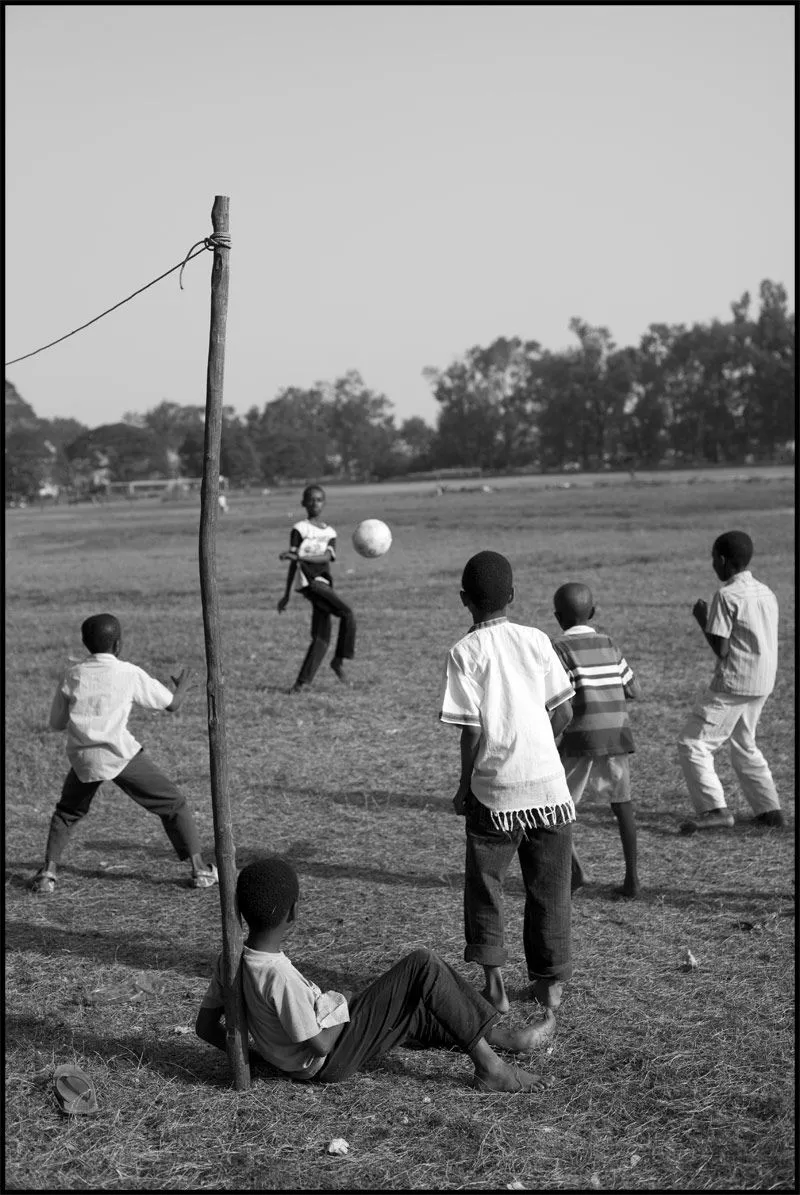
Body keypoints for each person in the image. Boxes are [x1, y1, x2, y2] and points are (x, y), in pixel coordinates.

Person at [196, 856, 556, 1092]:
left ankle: (502, 1038)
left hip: (318, 1052)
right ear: (291, 914)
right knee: (422, 965)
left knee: (415, 1007)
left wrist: (260, 1055)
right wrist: (341, 1006)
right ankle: (491, 1066)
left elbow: (205, 1026)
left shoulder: (232, 961)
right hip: (328, 1059)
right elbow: (319, 1042)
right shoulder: (277, 976)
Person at [439, 551, 575, 1016]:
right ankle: (549, 985)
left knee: (485, 886)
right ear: (513, 596)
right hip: (550, 792)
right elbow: (565, 711)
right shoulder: (537, 640)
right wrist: (543, 750)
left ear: (464, 600)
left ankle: (494, 986)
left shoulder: (464, 652)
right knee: (550, 889)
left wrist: (462, 784)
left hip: (494, 793)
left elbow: (473, 731)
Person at [29, 613, 218, 894]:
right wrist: (181, 689)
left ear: (84, 643)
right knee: (174, 804)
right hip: (119, 755)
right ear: (118, 645)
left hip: (84, 759)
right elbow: (171, 705)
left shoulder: (73, 674)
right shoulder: (128, 672)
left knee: (67, 813)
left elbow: (56, 724)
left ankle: (48, 874)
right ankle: (200, 870)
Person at [677, 530, 784, 832]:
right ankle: (769, 810)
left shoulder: (726, 595)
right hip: (762, 681)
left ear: (723, 561)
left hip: (735, 683)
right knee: (744, 743)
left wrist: (703, 619)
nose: (713, 565)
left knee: (693, 743)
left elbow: (722, 649)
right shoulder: (766, 591)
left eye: (714, 559)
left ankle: (714, 809)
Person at [551, 583, 642, 899]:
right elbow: (633, 689)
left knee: (558, 805)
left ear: (558, 617)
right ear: (593, 612)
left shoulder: (558, 648)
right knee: (622, 805)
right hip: (617, 735)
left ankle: (574, 873)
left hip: (580, 736)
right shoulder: (608, 643)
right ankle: (632, 879)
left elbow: (556, 699)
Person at [277, 484, 356, 693]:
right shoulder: (299, 529)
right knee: (347, 612)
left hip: (323, 582)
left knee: (321, 638)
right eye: (311, 499)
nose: (315, 503)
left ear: (324, 503)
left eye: (319, 499)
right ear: (303, 503)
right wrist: (286, 595)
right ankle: (338, 661)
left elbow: (327, 557)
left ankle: (300, 684)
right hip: (309, 583)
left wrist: (300, 556)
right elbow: (294, 563)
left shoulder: (330, 532)